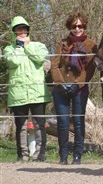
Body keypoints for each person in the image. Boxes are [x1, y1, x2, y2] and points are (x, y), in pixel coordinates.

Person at [50, 12, 97, 164]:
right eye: (74, 26)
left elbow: (90, 69)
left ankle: (77, 155)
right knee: (62, 122)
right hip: (61, 87)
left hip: (80, 88)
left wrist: (78, 84)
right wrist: (60, 82)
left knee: (78, 121)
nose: (77, 29)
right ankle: (63, 156)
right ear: (69, 27)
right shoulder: (61, 43)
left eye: (80, 26)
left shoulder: (91, 45)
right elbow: (54, 65)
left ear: (84, 26)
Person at [3, 16, 52, 162]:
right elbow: (14, 61)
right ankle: (22, 155)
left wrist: (28, 46)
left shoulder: (38, 45)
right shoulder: (8, 49)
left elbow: (40, 58)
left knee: (40, 125)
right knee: (21, 127)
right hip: (17, 94)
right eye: (18, 29)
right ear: (14, 32)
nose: (22, 32)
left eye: (24, 29)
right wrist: (19, 47)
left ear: (28, 30)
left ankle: (40, 155)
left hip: (38, 93)